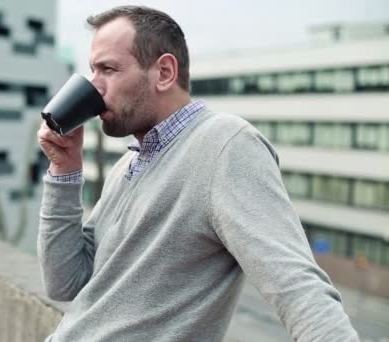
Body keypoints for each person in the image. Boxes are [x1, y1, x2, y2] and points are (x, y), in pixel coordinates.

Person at [36, 5, 358, 342]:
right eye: (92, 70)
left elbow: (296, 285)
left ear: (163, 72)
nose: (94, 86)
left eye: (109, 69)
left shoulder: (225, 145)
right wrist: (64, 169)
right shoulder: (127, 166)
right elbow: (66, 281)